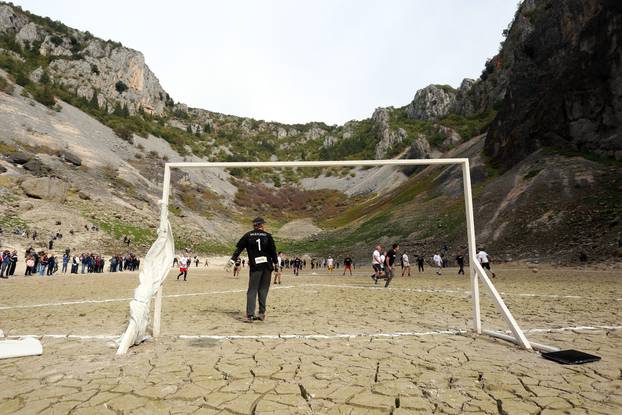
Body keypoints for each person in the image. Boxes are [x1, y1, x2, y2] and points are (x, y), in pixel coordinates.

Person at [226, 217, 278, 323]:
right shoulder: (268, 236)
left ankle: (250, 315)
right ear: (262, 225)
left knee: (252, 290)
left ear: (254, 225)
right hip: (267, 266)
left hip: (256, 266)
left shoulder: (248, 235)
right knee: (263, 290)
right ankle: (262, 313)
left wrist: (232, 260)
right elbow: (273, 251)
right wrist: (276, 263)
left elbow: (239, 249)